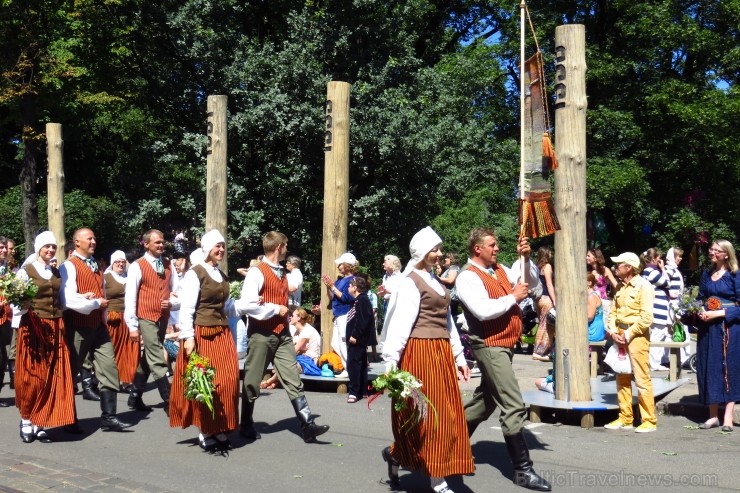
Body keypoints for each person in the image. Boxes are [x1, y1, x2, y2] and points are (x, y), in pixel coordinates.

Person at [456, 227, 551, 491]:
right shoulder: (467, 277)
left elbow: (533, 286)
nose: (497, 249)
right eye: (493, 245)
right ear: (478, 249)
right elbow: (483, 311)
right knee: (512, 403)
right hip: (489, 345)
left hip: (505, 344)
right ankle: (523, 470)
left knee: (484, 403)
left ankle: (447, 445)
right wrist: (513, 297)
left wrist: (527, 259)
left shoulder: (500, 270)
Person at [381, 227, 473, 493]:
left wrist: (459, 356)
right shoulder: (411, 281)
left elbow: (448, 323)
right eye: (434, 249)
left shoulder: (435, 281)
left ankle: (397, 454)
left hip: (441, 354)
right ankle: (438, 481)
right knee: (427, 417)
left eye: (439, 249)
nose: (439, 254)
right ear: (422, 253)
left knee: (446, 415)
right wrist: (391, 364)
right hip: (419, 354)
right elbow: (400, 325)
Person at [234, 231, 329, 443]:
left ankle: (307, 425)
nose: (287, 249)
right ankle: (246, 424)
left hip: (283, 334)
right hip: (261, 333)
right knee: (252, 380)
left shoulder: (282, 273)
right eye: (285, 246)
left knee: (292, 377)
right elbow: (246, 305)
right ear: (279, 248)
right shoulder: (257, 272)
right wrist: (274, 308)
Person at [170, 230, 239, 451]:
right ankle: (206, 429)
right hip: (202, 335)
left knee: (228, 381)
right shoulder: (195, 273)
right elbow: (187, 309)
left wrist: (254, 305)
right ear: (207, 248)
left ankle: (219, 426)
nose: (221, 249)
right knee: (207, 383)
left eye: (223, 246)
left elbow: (227, 307)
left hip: (222, 334)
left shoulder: (222, 275)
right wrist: (188, 338)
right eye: (217, 246)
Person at [60, 228, 132, 432]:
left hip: (98, 325)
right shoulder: (68, 266)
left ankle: (109, 416)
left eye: (94, 238)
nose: (93, 241)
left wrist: (102, 313)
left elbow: (102, 294)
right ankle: (68, 418)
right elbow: (68, 298)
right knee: (71, 372)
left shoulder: (98, 267)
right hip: (77, 325)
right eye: (88, 238)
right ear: (76, 242)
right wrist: (92, 303)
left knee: (109, 366)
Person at [14, 231, 77, 442]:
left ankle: (40, 422)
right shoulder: (26, 272)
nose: (50, 250)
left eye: (53, 247)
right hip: (33, 326)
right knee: (33, 376)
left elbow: (62, 299)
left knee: (52, 376)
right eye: (46, 247)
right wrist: (22, 307)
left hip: (56, 326)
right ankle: (26, 420)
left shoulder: (56, 272)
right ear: (38, 248)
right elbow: (16, 304)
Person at [124, 229, 180, 415]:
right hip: (145, 315)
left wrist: (171, 302)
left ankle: (134, 395)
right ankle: (169, 400)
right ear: (146, 244)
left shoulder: (168, 264)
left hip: (162, 317)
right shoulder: (137, 266)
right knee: (156, 355)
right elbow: (130, 297)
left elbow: (177, 291)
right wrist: (132, 325)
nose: (161, 245)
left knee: (147, 357)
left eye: (162, 242)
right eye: (157, 242)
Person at [604, 252, 657, 433]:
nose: (615, 267)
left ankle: (649, 420)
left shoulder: (644, 286)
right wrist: (612, 331)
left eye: (619, 264)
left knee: (642, 378)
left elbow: (646, 318)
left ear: (629, 267)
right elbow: (612, 312)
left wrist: (627, 334)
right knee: (622, 376)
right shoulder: (619, 286)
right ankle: (625, 418)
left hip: (637, 337)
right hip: (619, 335)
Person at [695, 240, 740, 432]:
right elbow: (700, 298)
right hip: (708, 328)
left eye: (716, 250)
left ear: (726, 254)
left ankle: (728, 416)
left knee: (728, 368)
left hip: (728, 327)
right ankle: (713, 415)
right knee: (710, 367)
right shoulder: (706, 273)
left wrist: (719, 313)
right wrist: (697, 310)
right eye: (711, 249)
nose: (711, 252)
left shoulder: (735, 275)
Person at [260, 307, 322, 390]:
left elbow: (292, 351)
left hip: (309, 362)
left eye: (292, 316)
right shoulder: (297, 332)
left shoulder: (306, 331)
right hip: (300, 358)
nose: (290, 317)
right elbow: (291, 349)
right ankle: (275, 382)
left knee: (288, 365)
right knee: (284, 362)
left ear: (299, 318)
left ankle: (270, 381)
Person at [104, 250, 140, 392]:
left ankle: (128, 380)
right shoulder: (105, 277)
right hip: (113, 319)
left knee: (131, 350)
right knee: (113, 350)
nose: (120, 264)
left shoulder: (130, 277)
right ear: (112, 263)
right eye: (118, 262)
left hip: (129, 319)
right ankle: (112, 379)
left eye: (123, 262)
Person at [321, 252, 357, 374]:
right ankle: (346, 367)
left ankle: (349, 369)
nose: (338, 266)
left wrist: (333, 287)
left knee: (343, 342)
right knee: (336, 343)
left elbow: (346, 298)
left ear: (347, 265)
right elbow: (331, 297)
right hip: (337, 315)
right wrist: (328, 286)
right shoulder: (339, 280)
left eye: (341, 264)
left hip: (345, 314)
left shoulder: (352, 280)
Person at [345, 276, 374, 404]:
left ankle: (354, 392)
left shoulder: (362, 300)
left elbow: (363, 320)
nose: (348, 288)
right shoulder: (356, 300)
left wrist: (355, 335)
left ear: (355, 288)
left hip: (357, 339)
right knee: (361, 364)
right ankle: (362, 390)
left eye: (350, 286)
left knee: (353, 365)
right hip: (356, 338)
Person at [641, 248, 671, 371]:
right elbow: (668, 283)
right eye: (659, 258)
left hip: (655, 308)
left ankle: (653, 362)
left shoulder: (646, 272)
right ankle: (654, 363)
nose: (661, 260)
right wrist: (663, 269)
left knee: (656, 335)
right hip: (657, 309)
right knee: (657, 335)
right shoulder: (651, 271)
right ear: (653, 259)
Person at [665, 247, 691, 364]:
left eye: (680, 256)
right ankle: (680, 358)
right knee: (675, 329)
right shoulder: (669, 269)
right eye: (678, 256)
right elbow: (664, 284)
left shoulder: (674, 269)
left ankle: (683, 357)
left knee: (677, 329)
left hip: (677, 303)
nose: (680, 258)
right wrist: (671, 295)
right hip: (672, 304)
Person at [532, 246, 555, 362]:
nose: (551, 254)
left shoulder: (537, 267)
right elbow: (549, 284)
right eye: (550, 252)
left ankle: (542, 350)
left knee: (542, 323)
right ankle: (540, 351)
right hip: (546, 298)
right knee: (546, 326)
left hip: (538, 299)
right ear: (547, 254)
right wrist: (555, 300)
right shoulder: (547, 266)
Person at [587, 248, 618, 317]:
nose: (586, 258)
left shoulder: (605, 270)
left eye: (588, 256)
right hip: (590, 300)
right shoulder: (588, 271)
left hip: (602, 302)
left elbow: (616, 285)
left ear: (595, 258)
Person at [0, 237, 12, 406]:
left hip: (5, 318)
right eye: (0, 247)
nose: (3, 250)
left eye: (4, 247)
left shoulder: (7, 268)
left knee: (3, 357)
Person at [438, 253, 461, 317]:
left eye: (447, 258)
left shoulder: (454, 268)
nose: (445, 259)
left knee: (451, 317)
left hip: (451, 298)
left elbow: (450, 280)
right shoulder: (449, 269)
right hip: (448, 297)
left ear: (451, 259)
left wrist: (437, 278)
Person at [587, 274, 606, 342]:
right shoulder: (593, 294)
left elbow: (590, 317)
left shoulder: (591, 297)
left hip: (594, 330)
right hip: (596, 328)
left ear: (589, 283)